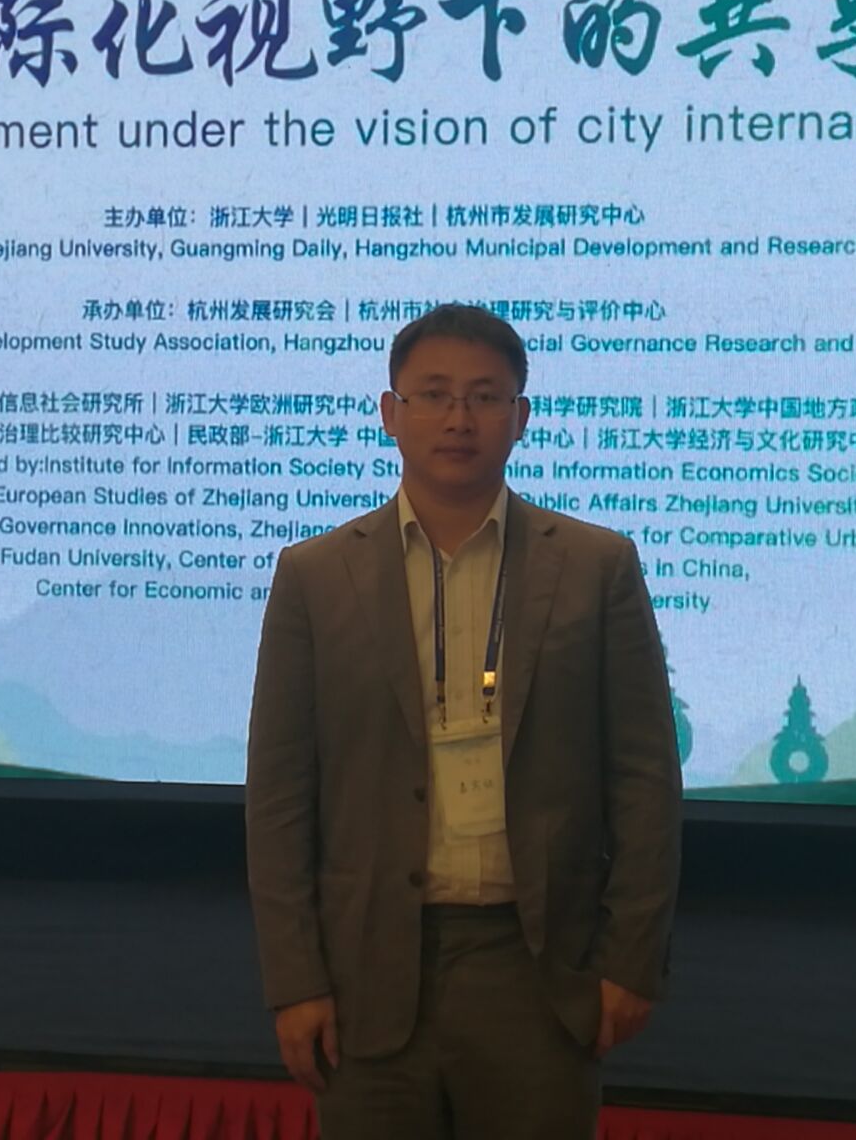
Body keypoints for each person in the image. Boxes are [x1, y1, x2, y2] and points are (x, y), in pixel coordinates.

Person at [245, 302, 683, 1139]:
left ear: (521, 417)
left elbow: (644, 778)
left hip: (537, 972)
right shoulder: (315, 576)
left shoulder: (595, 567)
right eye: (434, 395)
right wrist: (294, 980)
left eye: (485, 397)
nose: (459, 418)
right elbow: (279, 797)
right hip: (368, 973)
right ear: (390, 413)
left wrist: (631, 961)